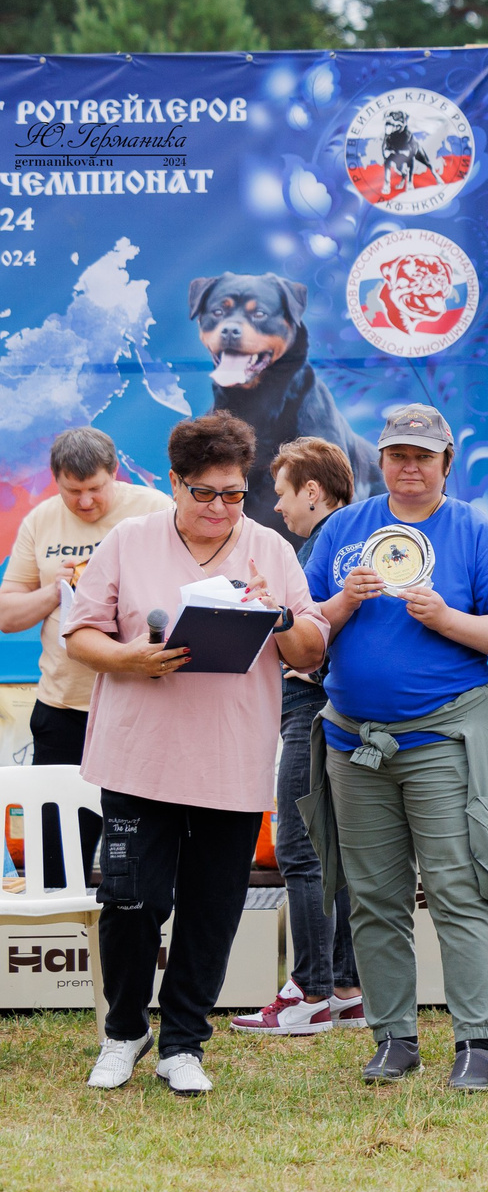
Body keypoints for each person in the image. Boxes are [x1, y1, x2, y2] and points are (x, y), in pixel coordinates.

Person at [65, 412, 328, 1095]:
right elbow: (80, 635)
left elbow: (309, 650)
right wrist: (134, 657)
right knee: (131, 900)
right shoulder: (128, 540)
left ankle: (184, 1041)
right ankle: (124, 1030)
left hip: (230, 759)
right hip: (137, 757)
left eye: (233, 493)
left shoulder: (269, 548)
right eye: (204, 492)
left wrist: (281, 616)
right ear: (175, 483)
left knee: (213, 907)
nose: (219, 508)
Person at [298, 405, 488, 1089]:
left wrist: (446, 617)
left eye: (423, 455)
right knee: (374, 896)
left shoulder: (475, 533)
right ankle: (394, 1036)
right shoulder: (343, 530)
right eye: (398, 453)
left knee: (460, 889)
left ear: (446, 463)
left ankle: (476, 1042)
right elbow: (307, 633)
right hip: (352, 742)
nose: (409, 466)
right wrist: (343, 600)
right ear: (381, 459)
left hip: (444, 739)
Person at [230, 438, 365, 1036]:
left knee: (300, 850)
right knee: (335, 854)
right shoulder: (345, 542)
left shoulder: (323, 547)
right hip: (335, 710)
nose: (277, 508)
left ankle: (310, 991)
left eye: (283, 494)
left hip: (312, 705)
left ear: (313, 490)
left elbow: (319, 628)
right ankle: (345, 988)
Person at [0, 427, 172, 891]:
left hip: (139, 708)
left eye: (95, 488)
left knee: (139, 851)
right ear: (55, 481)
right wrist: (51, 591)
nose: (85, 502)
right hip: (63, 710)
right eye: (72, 492)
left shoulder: (155, 510)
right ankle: (59, 950)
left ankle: (139, 945)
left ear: (114, 473)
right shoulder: (41, 520)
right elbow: (6, 615)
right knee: (53, 857)